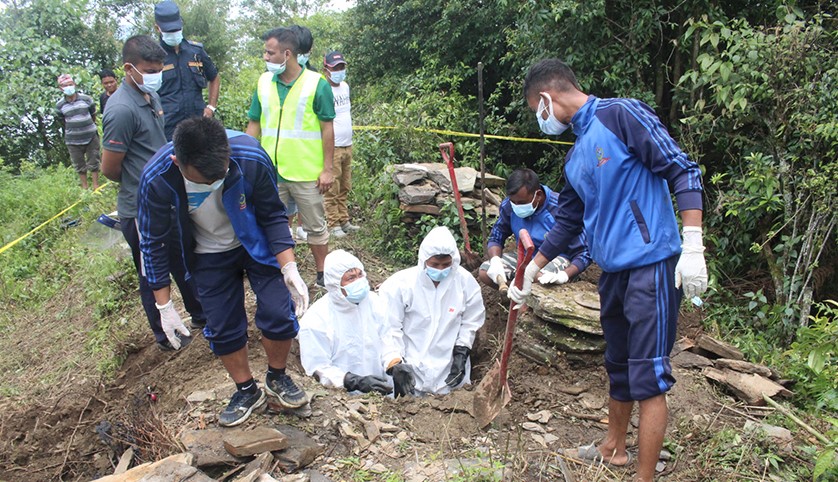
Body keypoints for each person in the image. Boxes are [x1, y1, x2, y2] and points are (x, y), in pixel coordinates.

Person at [512, 59, 707, 482]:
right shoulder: (577, 155)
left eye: (536, 111)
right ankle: (612, 448)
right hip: (613, 274)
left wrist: (693, 245)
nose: (540, 120)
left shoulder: (621, 115)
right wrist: (532, 270)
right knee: (618, 364)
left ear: (547, 98)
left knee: (649, 374)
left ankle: (644, 477)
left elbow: (683, 169)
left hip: (650, 265)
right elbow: (567, 221)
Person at [138, 117, 310, 426]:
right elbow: (152, 242)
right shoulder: (157, 178)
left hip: (255, 243)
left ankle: (278, 377)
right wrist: (163, 304)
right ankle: (246, 390)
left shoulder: (251, 156)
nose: (214, 183)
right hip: (206, 254)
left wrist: (289, 267)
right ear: (178, 162)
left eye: (220, 175)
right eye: (205, 181)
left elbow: (273, 213)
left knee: (279, 311)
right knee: (222, 325)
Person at [101, 35, 206, 351]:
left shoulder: (149, 98)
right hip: (140, 208)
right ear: (129, 68)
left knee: (183, 258)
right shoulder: (120, 109)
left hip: (167, 199)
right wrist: (141, 181)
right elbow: (110, 168)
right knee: (152, 272)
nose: (155, 76)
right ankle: (165, 336)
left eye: (159, 68)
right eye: (149, 70)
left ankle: (200, 316)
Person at [245, 27, 335, 289]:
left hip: (306, 171)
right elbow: (254, 123)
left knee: (316, 226)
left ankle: (321, 274)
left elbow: (327, 127)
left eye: (269, 52)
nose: (265, 57)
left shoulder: (316, 84)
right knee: (275, 224)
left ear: (287, 54)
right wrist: (247, 161)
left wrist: (327, 169)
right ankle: (285, 272)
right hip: (270, 172)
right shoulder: (263, 83)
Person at [379, 226, 485, 396]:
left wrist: (462, 352)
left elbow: (471, 321)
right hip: (411, 368)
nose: (441, 269)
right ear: (423, 260)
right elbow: (389, 327)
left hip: (449, 371)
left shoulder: (465, 283)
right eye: (435, 264)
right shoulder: (400, 285)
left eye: (446, 264)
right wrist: (394, 362)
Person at [299, 249, 400, 395]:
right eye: (351, 278)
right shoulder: (316, 320)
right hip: (345, 398)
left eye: (360, 275)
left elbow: (387, 340)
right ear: (334, 283)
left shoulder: (374, 302)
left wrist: (394, 364)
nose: (358, 281)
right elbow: (318, 367)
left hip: (383, 392)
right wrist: (352, 381)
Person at [478, 168, 591, 289]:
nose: (517, 206)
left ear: (538, 195)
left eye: (521, 203)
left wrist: (565, 275)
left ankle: (528, 301)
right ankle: (513, 298)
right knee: (486, 272)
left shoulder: (561, 208)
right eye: (513, 202)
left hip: (558, 257)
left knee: (536, 277)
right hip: (526, 256)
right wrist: (495, 261)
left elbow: (585, 252)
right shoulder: (509, 206)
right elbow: (497, 235)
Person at [153, 0, 220, 141]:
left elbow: (214, 77)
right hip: (168, 129)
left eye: (176, 30)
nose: (173, 34)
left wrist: (211, 107)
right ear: (157, 28)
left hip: (197, 124)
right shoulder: (153, 56)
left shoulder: (196, 51)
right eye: (169, 31)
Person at [322, 51, 360, 239]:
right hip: (333, 146)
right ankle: (333, 223)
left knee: (345, 185)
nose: (339, 71)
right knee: (332, 186)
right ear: (326, 69)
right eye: (335, 68)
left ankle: (344, 220)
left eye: (342, 67)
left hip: (347, 144)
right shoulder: (323, 89)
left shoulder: (344, 87)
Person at [55, 74, 100, 190]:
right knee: (79, 164)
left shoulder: (86, 99)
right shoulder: (59, 105)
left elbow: (93, 114)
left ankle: (96, 186)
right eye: (65, 85)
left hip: (90, 135)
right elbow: (62, 121)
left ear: (74, 85)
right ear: (60, 88)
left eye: (70, 84)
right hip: (73, 140)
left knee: (94, 160)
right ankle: (85, 188)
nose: (68, 87)